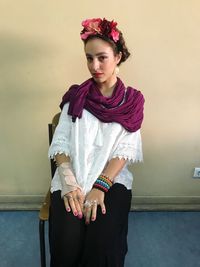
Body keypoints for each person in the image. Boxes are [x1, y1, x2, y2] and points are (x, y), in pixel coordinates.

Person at [48, 17, 145, 267]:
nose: (94, 65)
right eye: (89, 58)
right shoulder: (75, 97)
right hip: (73, 178)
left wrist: (99, 187)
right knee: (67, 243)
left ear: (118, 57)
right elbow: (61, 143)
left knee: (101, 245)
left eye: (102, 57)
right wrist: (69, 183)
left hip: (111, 181)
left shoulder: (131, 102)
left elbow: (126, 149)